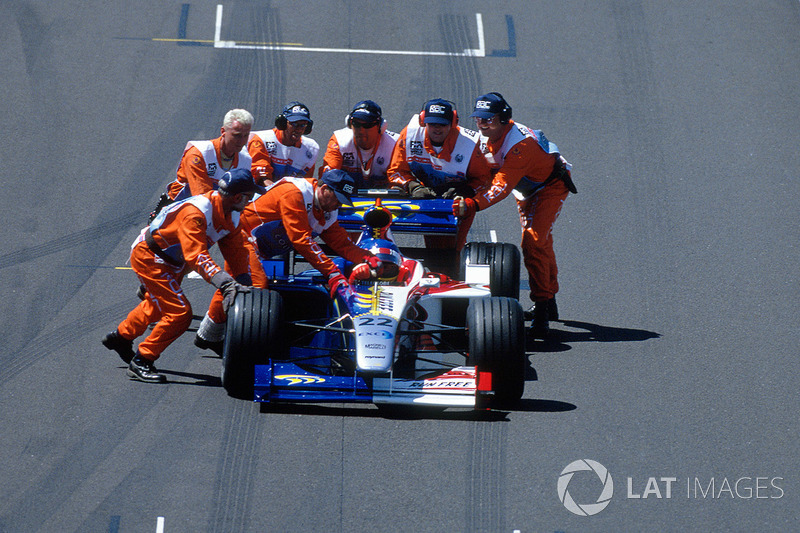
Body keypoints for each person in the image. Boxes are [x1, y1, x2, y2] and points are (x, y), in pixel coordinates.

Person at [102, 169, 264, 383]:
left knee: (156, 305)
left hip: (172, 260)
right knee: (180, 314)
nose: (250, 201)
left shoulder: (232, 214)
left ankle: (121, 337)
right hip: (151, 256)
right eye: (249, 196)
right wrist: (225, 284)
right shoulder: (196, 214)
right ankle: (142, 360)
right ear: (237, 197)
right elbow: (196, 256)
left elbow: (235, 250)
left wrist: (244, 282)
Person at [453, 92, 577, 337]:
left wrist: (473, 204)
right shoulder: (483, 138)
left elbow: (500, 186)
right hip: (526, 189)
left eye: (489, 120)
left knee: (533, 242)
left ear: (504, 119)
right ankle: (550, 300)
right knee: (541, 243)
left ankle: (542, 307)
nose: (482, 124)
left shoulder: (520, 146)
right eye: (478, 119)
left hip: (549, 188)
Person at [239, 168, 380, 298]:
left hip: (261, 248)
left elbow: (342, 244)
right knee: (257, 288)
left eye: (343, 201)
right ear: (324, 189)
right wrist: (332, 272)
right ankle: (221, 322)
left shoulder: (328, 211)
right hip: (243, 239)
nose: (339, 205)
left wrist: (368, 257)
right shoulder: (295, 193)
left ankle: (218, 322)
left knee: (239, 290)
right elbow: (301, 239)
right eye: (337, 199)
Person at [387, 98, 492, 250]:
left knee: (453, 248)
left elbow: (484, 179)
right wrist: (413, 186)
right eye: (432, 124)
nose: (437, 129)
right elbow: (396, 170)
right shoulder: (409, 135)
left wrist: (464, 192)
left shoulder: (469, 144)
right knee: (433, 246)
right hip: (426, 195)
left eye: (442, 124)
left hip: (456, 200)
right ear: (423, 121)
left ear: (453, 123)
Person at [161, 109, 254, 206]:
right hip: (179, 206)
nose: (242, 141)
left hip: (216, 206)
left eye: (246, 135)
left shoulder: (245, 159)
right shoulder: (198, 154)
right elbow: (202, 197)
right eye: (237, 135)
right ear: (223, 131)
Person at [319, 100, 399, 189]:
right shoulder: (339, 140)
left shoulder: (395, 144)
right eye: (356, 124)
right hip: (347, 196)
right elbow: (329, 176)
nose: (361, 130)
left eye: (367, 125)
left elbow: (399, 177)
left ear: (380, 126)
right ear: (349, 124)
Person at [248, 101, 319, 187]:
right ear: (282, 123)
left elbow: (305, 183)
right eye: (294, 124)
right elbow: (261, 178)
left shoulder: (311, 149)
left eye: (303, 125)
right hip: (261, 193)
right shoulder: (261, 140)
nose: (299, 129)